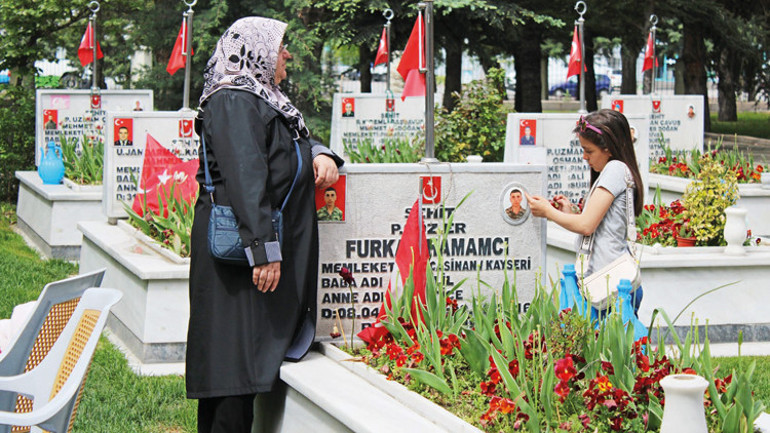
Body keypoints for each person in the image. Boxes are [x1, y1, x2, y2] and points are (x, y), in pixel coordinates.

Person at [186, 17, 343, 433]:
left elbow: (294, 140)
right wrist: (263, 250)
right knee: (231, 374)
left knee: (242, 368)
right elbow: (245, 176)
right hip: (240, 261)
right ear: (254, 51)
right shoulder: (233, 99)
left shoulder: (261, 96)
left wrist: (321, 152)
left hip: (252, 256)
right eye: (280, 47)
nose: (287, 54)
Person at [526, 109, 644, 315]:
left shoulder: (615, 169)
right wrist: (570, 213)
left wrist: (547, 212)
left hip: (610, 287)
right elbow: (596, 226)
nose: (584, 157)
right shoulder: (615, 169)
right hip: (609, 284)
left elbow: (587, 225)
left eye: (588, 151)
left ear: (608, 148)